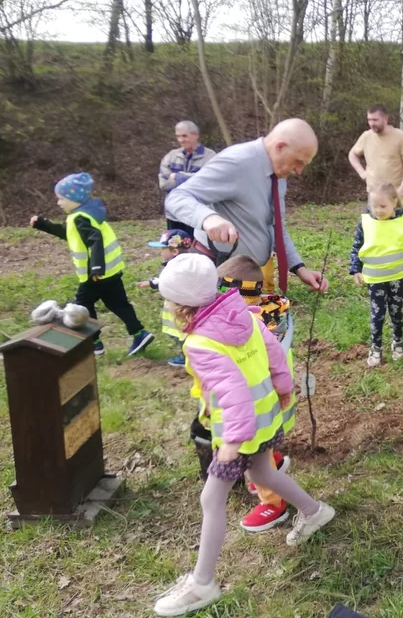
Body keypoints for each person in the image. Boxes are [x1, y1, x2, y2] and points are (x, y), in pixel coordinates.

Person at [153, 254, 335, 617]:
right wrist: (284, 387)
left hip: (241, 431)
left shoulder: (201, 343)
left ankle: (202, 583)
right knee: (263, 473)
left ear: (178, 305)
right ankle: (314, 511)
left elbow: (232, 392)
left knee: (211, 498)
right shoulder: (241, 313)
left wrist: (230, 445)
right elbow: (273, 352)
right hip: (265, 418)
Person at [164, 118, 328, 294]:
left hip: (246, 275)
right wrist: (208, 218)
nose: (299, 171)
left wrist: (299, 268)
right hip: (215, 272)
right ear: (280, 147)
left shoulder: (279, 177)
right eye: (298, 161)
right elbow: (177, 197)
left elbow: (275, 227)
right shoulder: (237, 162)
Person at [30, 172, 153, 358]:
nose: (58, 203)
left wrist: (96, 268)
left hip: (95, 275)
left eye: (61, 199)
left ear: (74, 199)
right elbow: (70, 234)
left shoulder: (81, 218)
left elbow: (95, 241)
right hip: (111, 271)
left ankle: (94, 343)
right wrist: (43, 225)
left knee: (82, 307)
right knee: (118, 304)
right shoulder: (86, 214)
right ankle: (139, 333)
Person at [215, 255, 296, 535]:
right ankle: (273, 463)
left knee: (253, 450)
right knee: (264, 445)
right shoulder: (270, 307)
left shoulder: (247, 324)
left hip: (257, 401)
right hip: (272, 395)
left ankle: (273, 504)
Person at [349, 182, 403, 367]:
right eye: (374, 206)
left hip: (398, 277)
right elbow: (357, 246)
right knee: (377, 313)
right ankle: (376, 348)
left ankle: (398, 343)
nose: (378, 210)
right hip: (375, 279)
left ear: (395, 203)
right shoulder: (366, 222)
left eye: (383, 206)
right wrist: (355, 269)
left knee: (396, 311)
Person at [136, 229, 193, 367]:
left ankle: (187, 357)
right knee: (181, 332)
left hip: (178, 306)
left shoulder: (176, 267)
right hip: (181, 304)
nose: (160, 252)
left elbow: (166, 280)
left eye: (163, 249)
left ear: (174, 251)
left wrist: (150, 283)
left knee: (179, 333)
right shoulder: (188, 263)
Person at [159, 121, 217, 237]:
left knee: (196, 251)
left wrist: (178, 177)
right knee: (175, 248)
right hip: (173, 214)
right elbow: (164, 184)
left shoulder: (210, 157)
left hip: (198, 213)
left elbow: (207, 183)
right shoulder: (171, 156)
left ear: (196, 135)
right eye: (178, 136)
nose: (181, 140)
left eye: (184, 136)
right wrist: (192, 179)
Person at [348, 105, 403, 198]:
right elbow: (352, 154)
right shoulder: (366, 136)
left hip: (395, 193)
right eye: (369, 120)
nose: (371, 123)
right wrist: (362, 173)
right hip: (373, 193)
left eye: (375, 120)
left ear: (385, 118)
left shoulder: (400, 136)